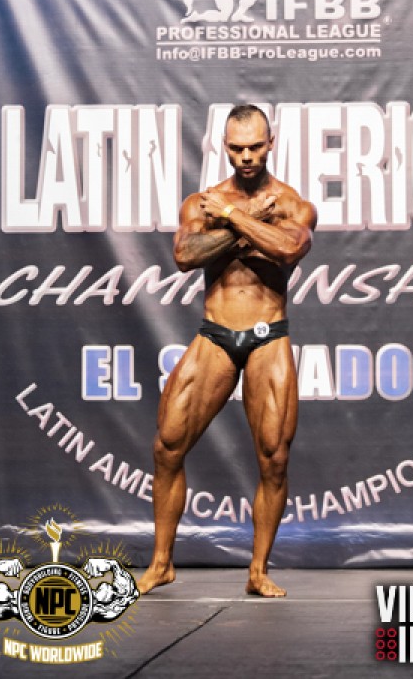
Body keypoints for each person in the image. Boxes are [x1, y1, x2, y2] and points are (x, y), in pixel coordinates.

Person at [138, 104, 317, 598]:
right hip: (215, 334)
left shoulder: (292, 203)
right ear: (224, 146)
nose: (247, 156)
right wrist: (246, 225)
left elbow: (287, 249)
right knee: (167, 446)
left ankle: (258, 571)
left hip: (268, 336)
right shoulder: (202, 202)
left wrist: (233, 218)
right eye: (237, 148)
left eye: (255, 146)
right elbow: (184, 256)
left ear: (271, 143)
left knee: (274, 458)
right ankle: (161, 563)